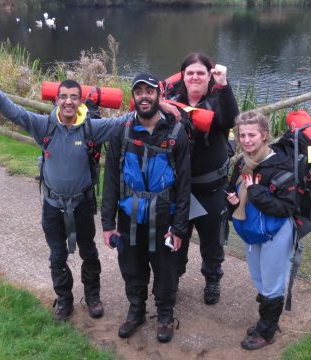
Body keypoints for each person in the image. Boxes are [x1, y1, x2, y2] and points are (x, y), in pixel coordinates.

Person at [0, 64, 132, 322]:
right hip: (52, 206)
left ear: (81, 101)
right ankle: (64, 300)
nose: (68, 102)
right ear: (56, 99)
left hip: (82, 205)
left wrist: (160, 105)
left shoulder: (92, 128)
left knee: (89, 253)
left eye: (73, 97)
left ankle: (93, 297)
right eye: (63, 97)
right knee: (57, 255)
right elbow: (13, 112)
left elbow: (123, 122)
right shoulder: (44, 126)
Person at [101, 73, 191, 343]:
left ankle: (165, 316)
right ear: (133, 98)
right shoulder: (122, 132)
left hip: (165, 216)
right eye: (138, 91)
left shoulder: (176, 134)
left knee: (166, 271)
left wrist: (179, 228)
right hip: (129, 217)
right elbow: (111, 181)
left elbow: (185, 185)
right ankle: (136, 311)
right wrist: (107, 224)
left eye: (149, 91)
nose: (144, 96)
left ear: (158, 96)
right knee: (131, 267)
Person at [167, 52, 239, 305]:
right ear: (183, 76)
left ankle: (212, 280)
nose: (195, 77)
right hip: (179, 191)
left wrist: (224, 84)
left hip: (212, 190)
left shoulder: (219, 100)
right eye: (190, 73)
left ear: (209, 76)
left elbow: (231, 120)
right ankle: (173, 280)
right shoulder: (169, 102)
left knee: (212, 243)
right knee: (177, 239)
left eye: (201, 72)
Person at [226, 111, 297, 350]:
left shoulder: (280, 166)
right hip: (253, 231)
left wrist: (256, 194)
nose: (246, 140)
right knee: (259, 278)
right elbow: (232, 192)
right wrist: (232, 201)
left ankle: (266, 331)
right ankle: (268, 318)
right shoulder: (241, 163)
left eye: (252, 135)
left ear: (264, 135)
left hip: (276, 232)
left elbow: (287, 207)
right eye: (242, 135)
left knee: (273, 283)